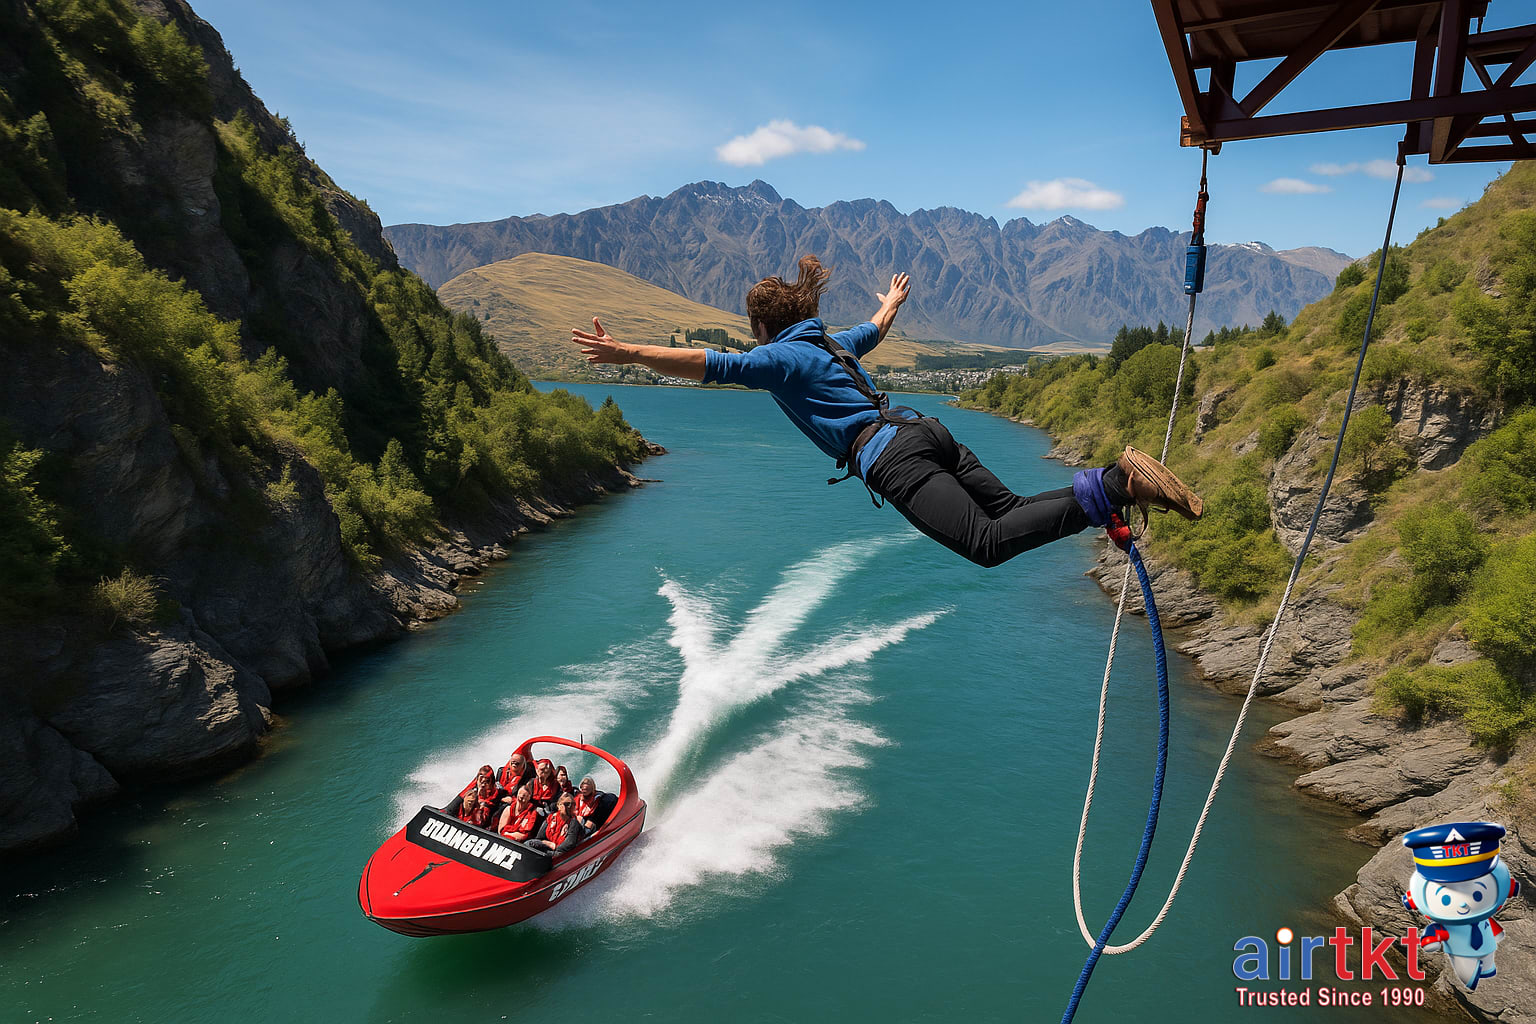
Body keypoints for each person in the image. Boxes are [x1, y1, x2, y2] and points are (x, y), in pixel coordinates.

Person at [572, 256, 1202, 568]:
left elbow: (711, 364)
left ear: (764, 327)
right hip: (925, 428)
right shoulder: (828, 341)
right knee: (1007, 512)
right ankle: (1113, 493)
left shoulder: (780, 359)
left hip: (892, 458)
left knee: (985, 543)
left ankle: (1119, 484)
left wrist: (621, 350)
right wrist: (892, 302)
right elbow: (872, 331)